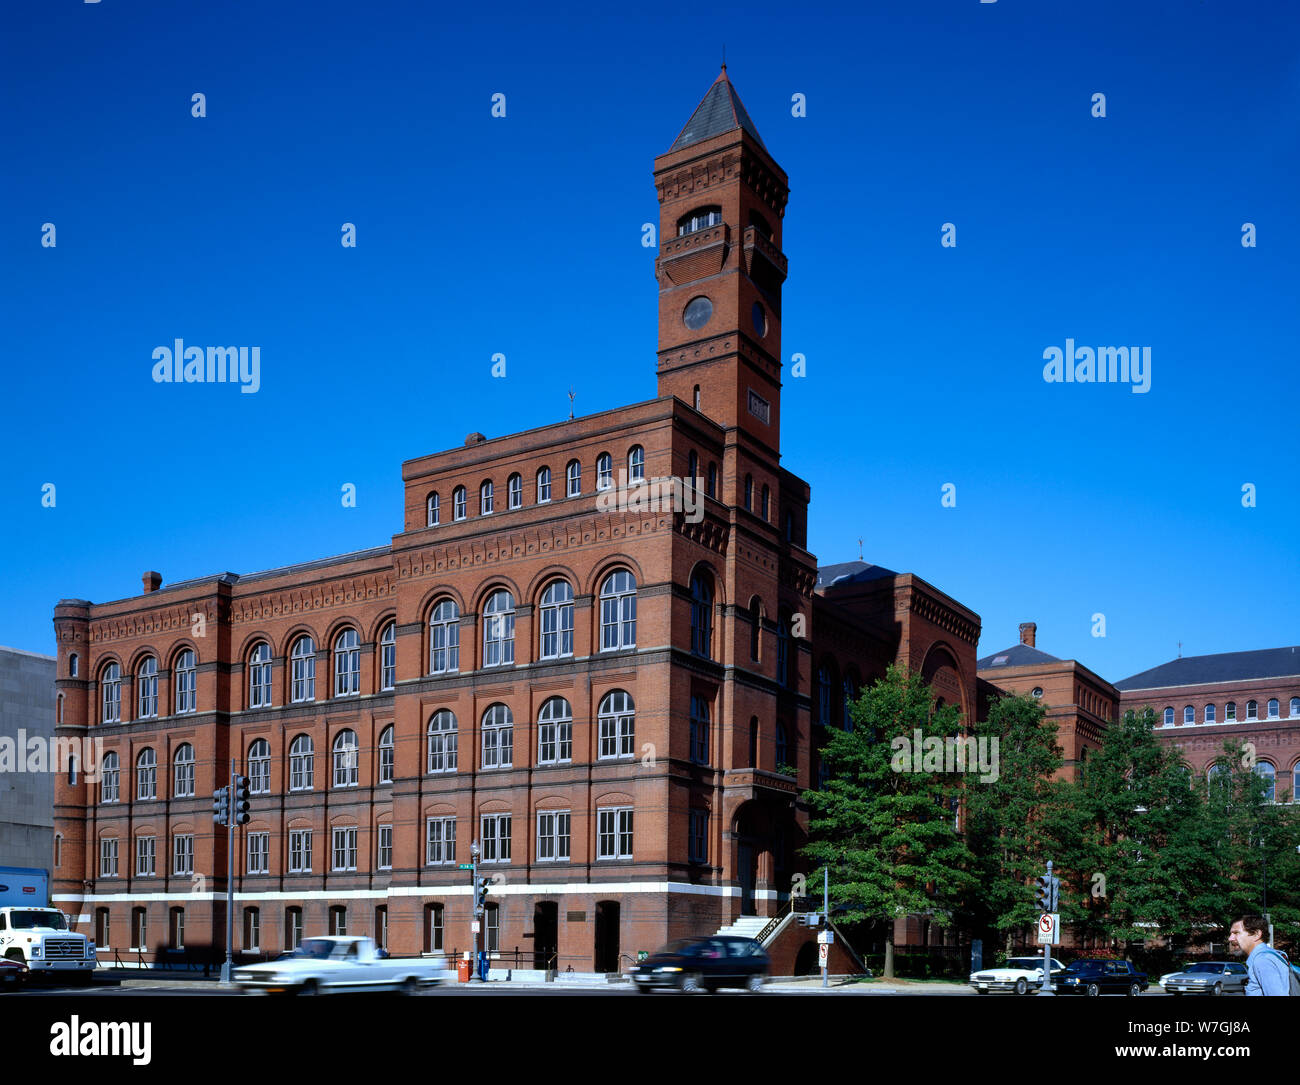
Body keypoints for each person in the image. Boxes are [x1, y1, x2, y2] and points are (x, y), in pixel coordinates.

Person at [1227, 915, 1292, 996]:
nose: (1230, 938)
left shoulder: (1263, 961)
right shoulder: (1270, 956)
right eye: (1231, 934)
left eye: (1236, 933)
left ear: (1256, 934)